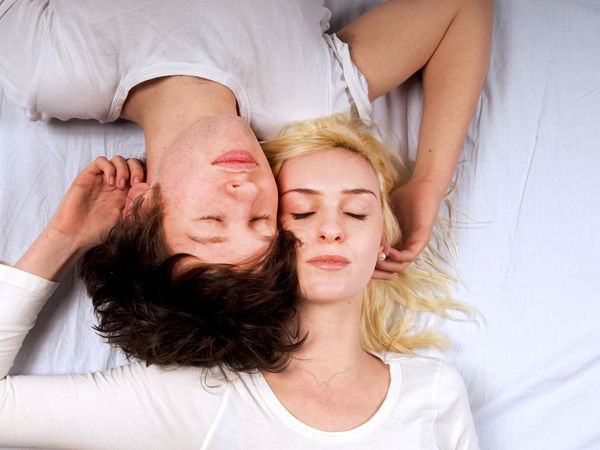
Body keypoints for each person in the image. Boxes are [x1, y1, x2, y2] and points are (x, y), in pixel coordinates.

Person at [0, 115, 478, 448]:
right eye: (302, 212)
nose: (331, 229)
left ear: (383, 244)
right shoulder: (196, 397)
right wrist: (63, 239)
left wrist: (427, 185)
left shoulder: (435, 391)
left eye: (357, 212)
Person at [0, 0, 492, 271]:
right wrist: (428, 183)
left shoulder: (47, 71)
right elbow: (460, 8)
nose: (245, 193)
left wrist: (60, 241)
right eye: (262, 218)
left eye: (212, 221)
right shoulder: (309, 99)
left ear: (142, 205)